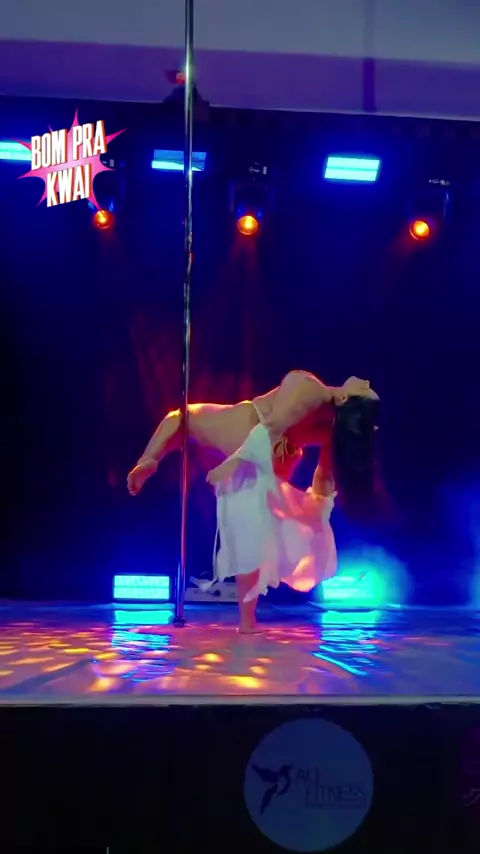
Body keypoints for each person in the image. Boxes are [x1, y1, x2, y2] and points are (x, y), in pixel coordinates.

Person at [127, 371, 379, 631]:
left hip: (252, 435)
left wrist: (234, 463)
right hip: (284, 456)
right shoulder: (339, 426)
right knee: (254, 535)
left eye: (364, 388)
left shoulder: (311, 388)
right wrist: (317, 512)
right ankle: (248, 621)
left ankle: (149, 458)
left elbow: (270, 429)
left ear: (345, 397)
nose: (366, 381)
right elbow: (324, 476)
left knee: (181, 416)